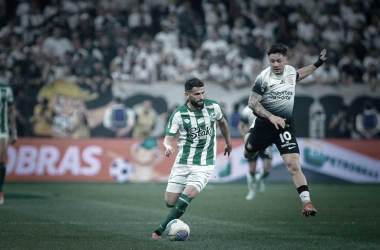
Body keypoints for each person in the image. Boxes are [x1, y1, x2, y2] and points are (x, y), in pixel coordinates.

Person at [244, 44, 327, 217]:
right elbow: (252, 103)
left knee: (293, 165)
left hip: (284, 127)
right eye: (271, 61)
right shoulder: (263, 78)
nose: (275, 64)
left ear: (286, 60)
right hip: (264, 125)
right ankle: (248, 138)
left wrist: (317, 63)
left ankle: (307, 203)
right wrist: (271, 117)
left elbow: (299, 75)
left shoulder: (290, 71)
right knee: (249, 154)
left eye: (278, 60)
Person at [152, 78, 232, 238]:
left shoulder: (213, 107)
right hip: (182, 162)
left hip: (204, 164)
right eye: (196, 94)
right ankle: (176, 216)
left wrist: (228, 142)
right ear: (187, 95)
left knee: (186, 197)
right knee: (170, 202)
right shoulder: (179, 114)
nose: (201, 97)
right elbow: (168, 138)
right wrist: (167, 146)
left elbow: (222, 122)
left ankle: (158, 231)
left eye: (202, 93)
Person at [238, 105, 273, 200]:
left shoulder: (269, 107)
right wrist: (245, 136)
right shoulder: (246, 110)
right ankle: (251, 191)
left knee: (267, 170)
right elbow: (241, 125)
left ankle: (259, 178)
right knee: (252, 169)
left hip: (267, 140)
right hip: (253, 140)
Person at [0, 83, 17, 204]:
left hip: (2, 130)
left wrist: (14, 131)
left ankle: (0, 191)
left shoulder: (6, 89)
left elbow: (11, 111)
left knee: (1, 160)